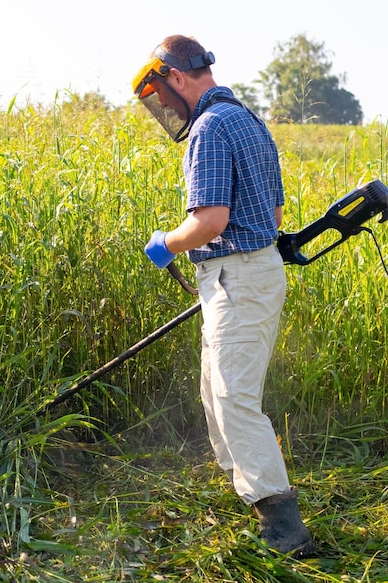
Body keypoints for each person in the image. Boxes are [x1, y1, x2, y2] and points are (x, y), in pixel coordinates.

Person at [132, 35, 315, 558]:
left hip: (238, 276)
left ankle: (283, 525)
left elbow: (210, 220)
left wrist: (166, 243)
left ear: (176, 78)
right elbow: (275, 216)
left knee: (234, 396)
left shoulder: (210, 128)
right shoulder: (248, 120)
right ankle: (243, 484)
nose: (163, 108)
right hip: (244, 273)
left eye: (162, 97)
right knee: (214, 385)